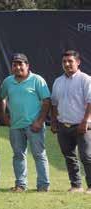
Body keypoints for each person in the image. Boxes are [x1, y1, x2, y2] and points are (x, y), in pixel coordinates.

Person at [0, 53, 51, 192]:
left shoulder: (37, 80)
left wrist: (39, 121)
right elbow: (0, 99)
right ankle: (21, 185)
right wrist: (3, 117)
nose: (18, 67)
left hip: (34, 126)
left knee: (39, 155)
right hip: (15, 126)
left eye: (21, 64)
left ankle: (43, 186)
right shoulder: (8, 81)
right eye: (15, 64)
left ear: (27, 66)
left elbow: (46, 101)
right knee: (18, 155)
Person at [51, 50, 91, 194]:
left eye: (70, 61)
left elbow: (90, 102)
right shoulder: (58, 81)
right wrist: (54, 122)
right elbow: (54, 104)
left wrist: (85, 121)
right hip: (63, 126)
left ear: (78, 62)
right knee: (69, 157)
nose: (67, 64)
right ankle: (76, 186)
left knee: (87, 157)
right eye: (64, 62)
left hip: (82, 126)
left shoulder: (86, 79)